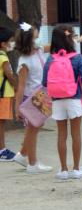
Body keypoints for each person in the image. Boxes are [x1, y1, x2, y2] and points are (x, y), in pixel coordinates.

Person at [42, 25, 82, 181]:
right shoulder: (77, 57)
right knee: (75, 134)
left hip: (56, 100)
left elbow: (44, 81)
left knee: (61, 135)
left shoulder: (50, 58)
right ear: (71, 38)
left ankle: (63, 169)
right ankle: (76, 169)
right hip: (74, 98)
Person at [9, 22, 52, 173]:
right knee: (32, 129)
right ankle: (33, 163)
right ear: (30, 38)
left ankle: (23, 155)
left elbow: (52, 47)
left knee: (35, 128)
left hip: (41, 95)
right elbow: (21, 86)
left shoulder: (38, 50)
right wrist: (17, 108)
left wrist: (70, 40)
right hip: (31, 98)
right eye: (35, 31)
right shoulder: (24, 62)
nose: (37, 31)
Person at [0, 28, 18, 161]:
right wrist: (17, 88)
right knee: (1, 123)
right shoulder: (3, 58)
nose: (12, 43)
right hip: (4, 94)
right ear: (3, 43)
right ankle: (2, 150)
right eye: (10, 41)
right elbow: (10, 76)